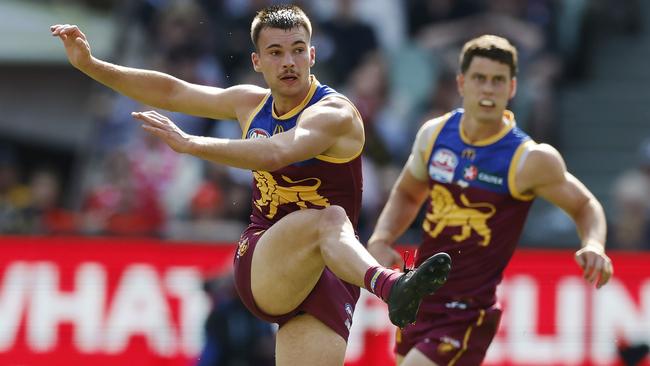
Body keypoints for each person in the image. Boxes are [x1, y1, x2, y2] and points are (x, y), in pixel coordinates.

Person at [51, 5, 451, 365]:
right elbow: (173, 91)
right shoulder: (249, 103)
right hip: (263, 259)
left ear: (313, 55)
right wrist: (91, 65)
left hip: (332, 271)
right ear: (258, 62)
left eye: (298, 49)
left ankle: (393, 288)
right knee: (328, 217)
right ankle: (393, 286)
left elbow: (278, 151)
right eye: (276, 53)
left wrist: (193, 144)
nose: (289, 61)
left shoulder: (335, 114)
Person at [367, 35, 614, 366]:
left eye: (497, 81)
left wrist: (594, 245)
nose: (488, 89)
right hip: (417, 299)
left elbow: (585, 205)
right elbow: (409, 192)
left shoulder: (529, 159)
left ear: (512, 88)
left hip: (467, 312)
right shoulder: (435, 134)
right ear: (461, 83)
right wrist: (383, 237)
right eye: (479, 79)